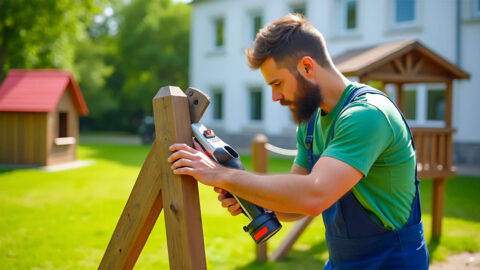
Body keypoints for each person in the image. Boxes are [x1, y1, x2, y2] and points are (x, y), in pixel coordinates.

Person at [168, 14, 429, 269]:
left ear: (306, 67)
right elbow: (297, 206)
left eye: (278, 83)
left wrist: (221, 175)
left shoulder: (368, 115)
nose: (274, 97)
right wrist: (254, 200)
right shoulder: (311, 124)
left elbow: (313, 195)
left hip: (393, 261)